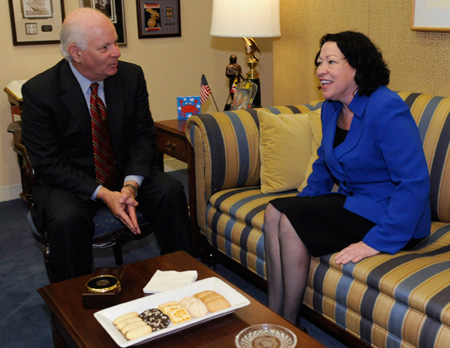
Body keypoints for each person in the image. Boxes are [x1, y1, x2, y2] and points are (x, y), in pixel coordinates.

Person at [264, 31, 431, 326]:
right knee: (275, 211)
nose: (320, 70)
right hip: (357, 204)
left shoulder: (385, 106)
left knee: (290, 221)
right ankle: (273, 317)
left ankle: (287, 327)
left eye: (331, 61)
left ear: (356, 66)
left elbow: (414, 181)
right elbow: (323, 164)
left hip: (394, 215)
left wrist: (378, 241)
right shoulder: (331, 108)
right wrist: (301, 204)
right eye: (319, 62)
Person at [21, 8, 191, 282]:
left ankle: (184, 278)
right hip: (69, 181)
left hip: (123, 172)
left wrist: (130, 185)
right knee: (66, 220)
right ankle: (74, 303)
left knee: (170, 190)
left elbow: (143, 135)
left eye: (116, 42)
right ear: (76, 53)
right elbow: (49, 164)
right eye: (105, 47)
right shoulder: (40, 92)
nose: (117, 53)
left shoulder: (130, 76)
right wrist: (103, 193)